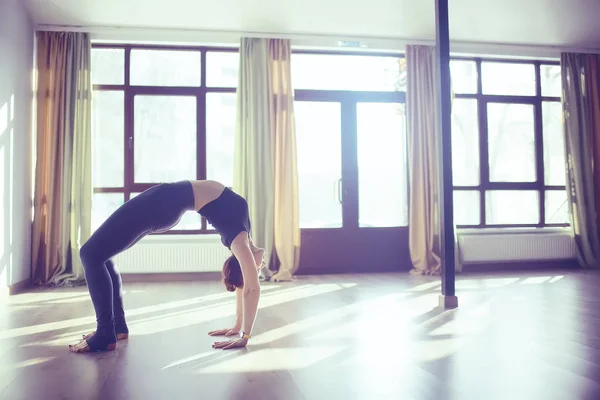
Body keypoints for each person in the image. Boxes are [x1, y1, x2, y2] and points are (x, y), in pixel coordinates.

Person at [69, 180, 265, 353]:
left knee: (89, 254)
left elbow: (251, 288)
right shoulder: (244, 235)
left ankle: (104, 334)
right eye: (256, 271)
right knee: (102, 255)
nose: (259, 268)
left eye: (254, 271)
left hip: (160, 204)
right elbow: (245, 285)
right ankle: (117, 328)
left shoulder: (239, 242)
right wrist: (238, 326)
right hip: (163, 203)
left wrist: (245, 336)